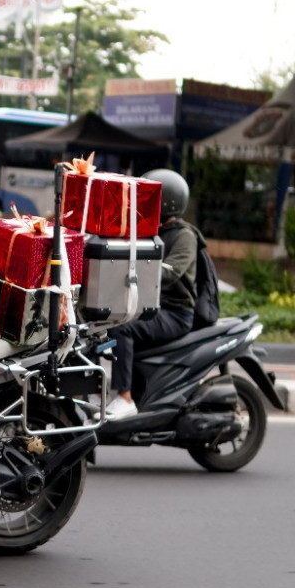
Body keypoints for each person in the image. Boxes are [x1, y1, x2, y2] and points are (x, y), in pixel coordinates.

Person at [104, 168, 198, 420]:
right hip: (148, 305)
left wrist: (129, 270)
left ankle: (124, 397)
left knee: (123, 328)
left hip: (174, 312)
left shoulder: (184, 236)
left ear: (166, 202)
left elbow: (170, 273)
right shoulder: (150, 230)